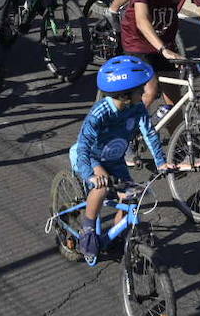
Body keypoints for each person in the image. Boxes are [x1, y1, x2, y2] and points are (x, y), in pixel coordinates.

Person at [70, 56, 175, 265]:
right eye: (140, 90)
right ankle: (88, 233)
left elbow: (149, 133)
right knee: (100, 189)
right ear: (125, 94)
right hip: (91, 158)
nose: (145, 93)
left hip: (115, 161)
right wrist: (92, 173)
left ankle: (117, 238)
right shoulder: (100, 112)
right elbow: (83, 146)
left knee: (129, 197)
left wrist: (161, 162)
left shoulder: (136, 108)